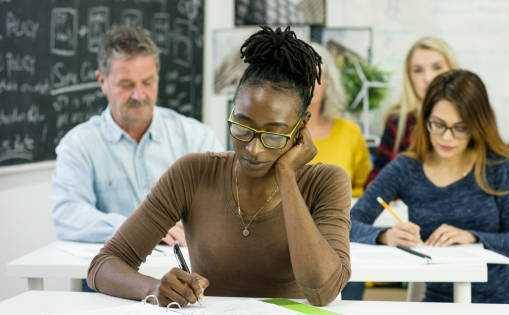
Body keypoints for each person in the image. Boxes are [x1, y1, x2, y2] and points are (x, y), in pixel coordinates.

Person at [87, 26, 352, 307]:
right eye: (242, 127)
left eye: (274, 135)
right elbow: (103, 266)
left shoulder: (326, 181)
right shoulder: (194, 173)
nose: (253, 148)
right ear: (232, 111)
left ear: (302, 128)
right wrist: (155, 288)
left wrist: (286, 174)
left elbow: (322, 291)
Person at [351, 70, 509, 303]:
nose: (447, 137)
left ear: (478, 125)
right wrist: (386, 235)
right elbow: (348, 225)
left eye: (460, 128)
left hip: (505, 300)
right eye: (438, 124)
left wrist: (471, 236)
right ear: (425, 118)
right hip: (441, 302)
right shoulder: (406, 168)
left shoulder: (499, 166)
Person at [49, 25, 223, 245]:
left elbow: (226, 201)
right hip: (111, 274)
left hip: (184, 269)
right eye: (126, 84)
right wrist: (143, 227)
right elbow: (67, 215)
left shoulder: (196, 137)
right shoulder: (78, 145)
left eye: (148, 82)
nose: (139, 95)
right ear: (102, 82)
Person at [364, 37, 459, 188]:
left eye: (437, 67)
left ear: (452, 70)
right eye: (418, 70)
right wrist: (388, 190)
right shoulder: (398, 120)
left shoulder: (475, 113)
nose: (428, 78)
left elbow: (491, 174)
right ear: (409, 77)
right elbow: (374, 181)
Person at [306, 42, 372, 198]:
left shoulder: (350, 132)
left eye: (315, 74)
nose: (307, 82)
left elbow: (367, 187)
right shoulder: (276, 134)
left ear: (328, 82)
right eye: (298, 74)